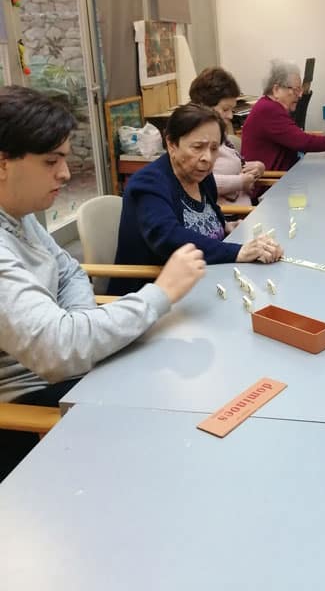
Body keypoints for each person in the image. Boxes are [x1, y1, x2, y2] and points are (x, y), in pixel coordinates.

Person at [0, 86, 206, 479]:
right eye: (51, 161)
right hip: (29, 411)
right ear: (4, 163)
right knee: (173, 421)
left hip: (68, 373)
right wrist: (160, 294)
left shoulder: (20, 213)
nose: (64, 173)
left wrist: (78, 327)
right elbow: (58, 350)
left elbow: (71, 272)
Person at [110, 103, 283, 295]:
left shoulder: (200, 176)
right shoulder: (147, 185)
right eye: (197, 147)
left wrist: (225, 227)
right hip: (151, 298)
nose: (207, 158)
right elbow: (169, 238)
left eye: (214, 148)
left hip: (205, 281)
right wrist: (238, 252)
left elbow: (208, 216)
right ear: (172, 144)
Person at [241, 59, 325, 171]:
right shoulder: (268, 110)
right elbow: (302, 142)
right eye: (296, 90)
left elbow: (296, 136)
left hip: (287, 176)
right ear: (276, 90)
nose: (300, 95)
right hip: (272, 185)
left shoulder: (270, 106)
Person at [189, 67, 264, 206]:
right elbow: (197, 182)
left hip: (244, 213)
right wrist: (241, 182)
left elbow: (229, 167)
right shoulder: (195, 142)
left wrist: (258, 167)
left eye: (232, 109)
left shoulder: (219, 135)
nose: (230, 116)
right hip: (231, 217)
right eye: (225, 109)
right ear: (205, 106)